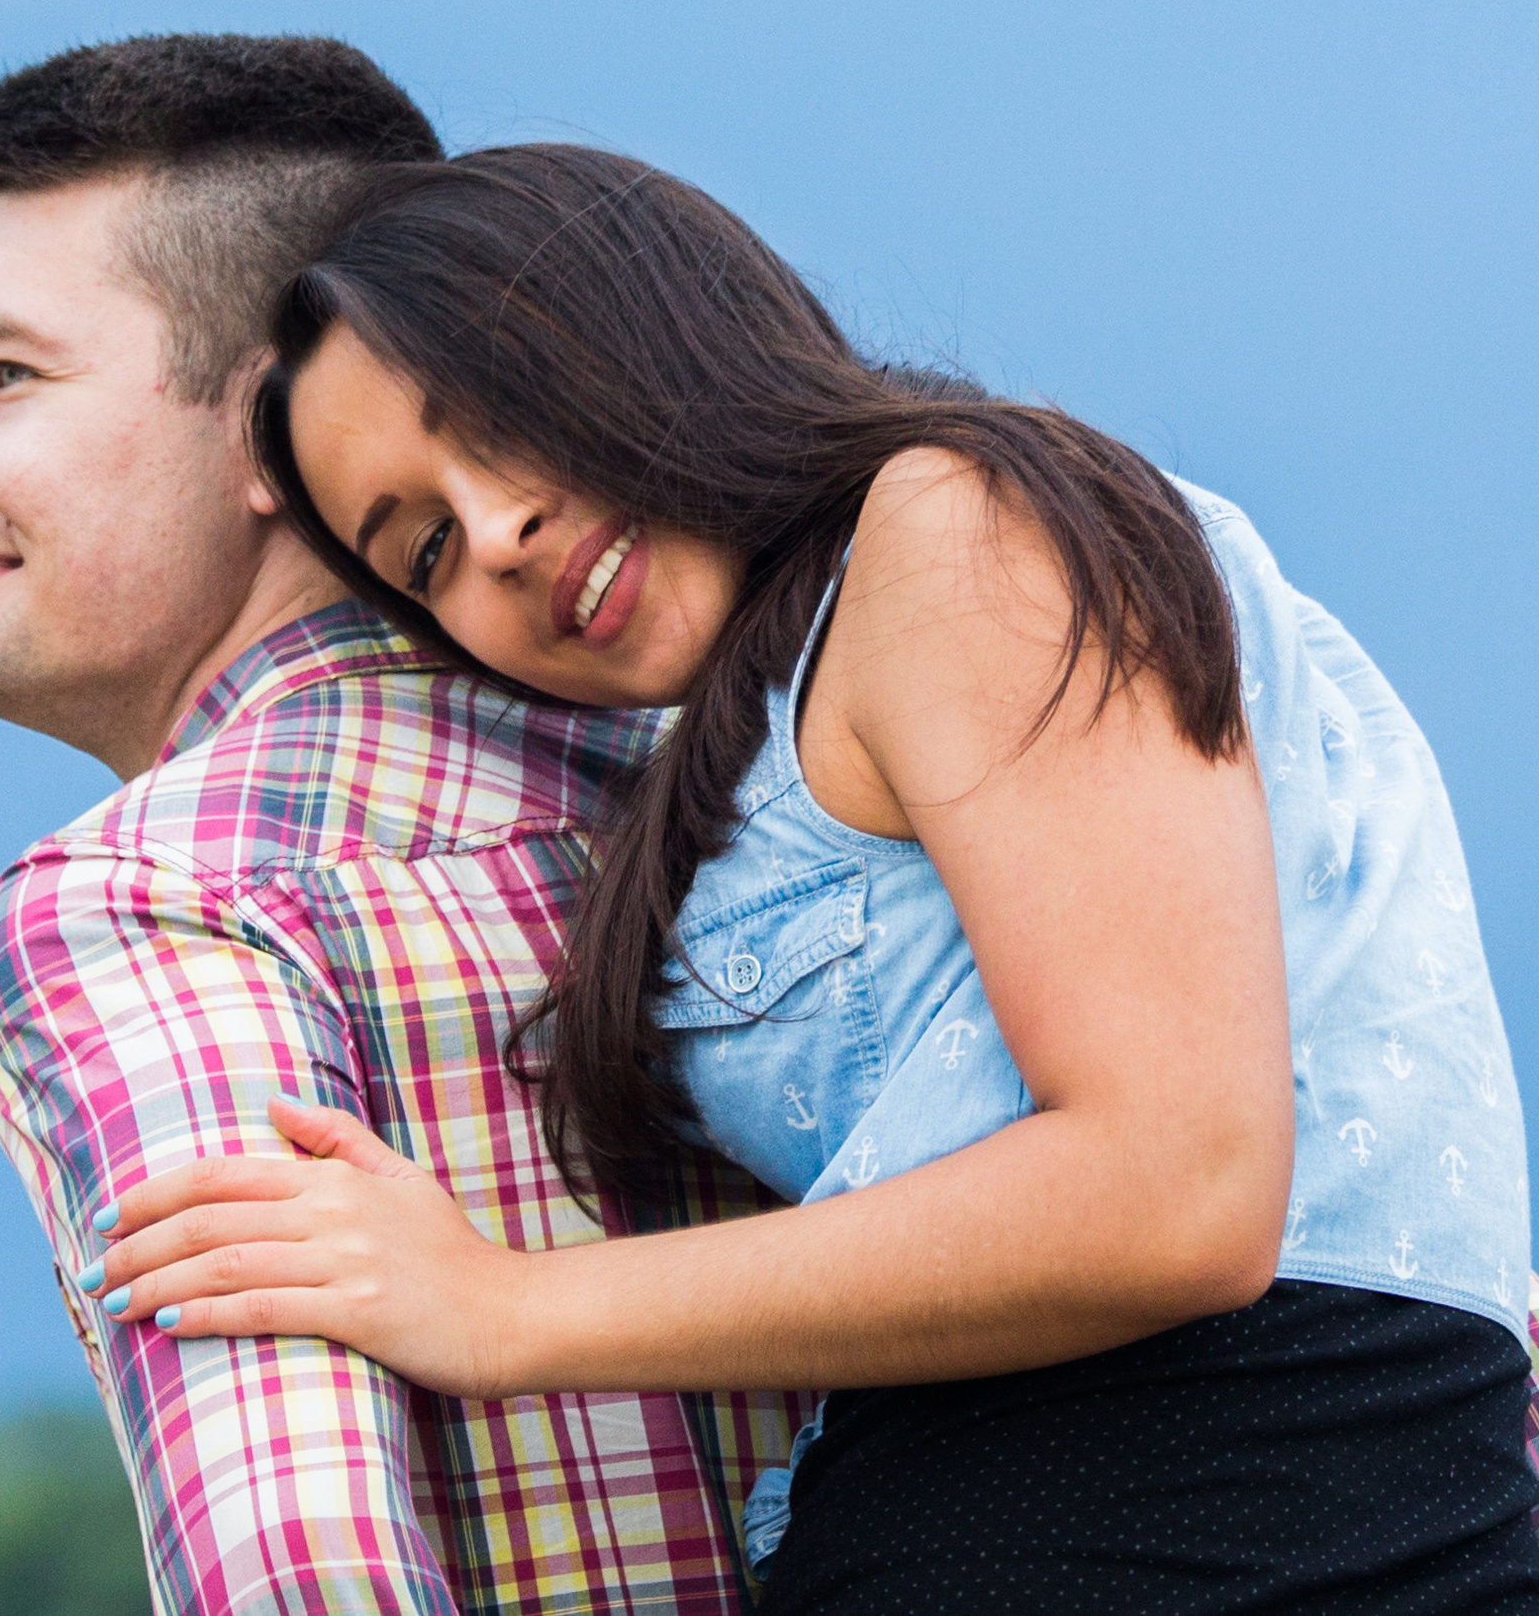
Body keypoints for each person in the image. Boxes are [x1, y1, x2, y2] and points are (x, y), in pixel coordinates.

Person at [77, 144, 1539, 1610]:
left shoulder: (960, 525)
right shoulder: (740, 749)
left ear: (656, 316)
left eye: (505, 417)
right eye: (430, 545)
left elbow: (1180, 1191)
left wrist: (499, 1304)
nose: (502, 537)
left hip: (1244, 1529)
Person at [0, 42, 812, 1613]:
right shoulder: (765, 770)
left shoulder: (146, 906)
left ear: (269, 432)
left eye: (6, 374)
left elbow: (304, 1571)